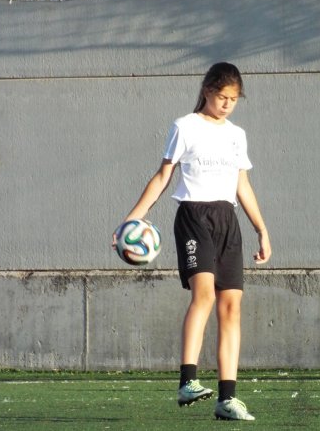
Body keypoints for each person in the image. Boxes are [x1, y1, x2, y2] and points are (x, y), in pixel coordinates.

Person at [114, 62, 271, 421]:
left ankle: (227, 399)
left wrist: (261, 229)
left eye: (233, 98)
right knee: (203, 294)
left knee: (231, 306)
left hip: (227, 220)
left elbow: (242, 185)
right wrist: (132, 218)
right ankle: (188, 381)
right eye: (222, 96)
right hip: (193, 217)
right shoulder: (184, 127)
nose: (227, 103)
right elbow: (162, 176)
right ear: (207, 91)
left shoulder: (237, 134)